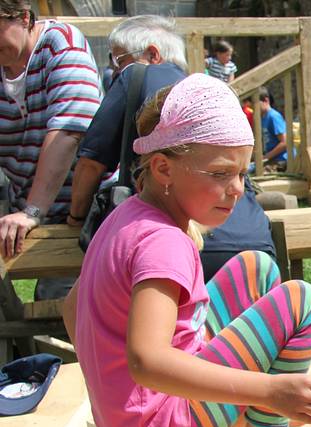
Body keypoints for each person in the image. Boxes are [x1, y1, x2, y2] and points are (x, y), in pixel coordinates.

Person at [62, 74, 311, 427]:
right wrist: (272, 390)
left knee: (258, 269)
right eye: (219, 174)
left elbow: (72, 307)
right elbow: (148, 362)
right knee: (301, 300)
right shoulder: (165, 244)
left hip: (132, 423)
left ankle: (240, 423)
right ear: (163, 168)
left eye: (242, 173)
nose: (235, 190)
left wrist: (113, 390)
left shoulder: (124, 218)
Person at [70, 15, 275, 281]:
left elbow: (91, 164)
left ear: (152, 53)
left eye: (119, 60)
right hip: (255, 241)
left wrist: (75, 219)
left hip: (184, 248)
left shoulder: (135, 77)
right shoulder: (210, 89)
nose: (117, 70)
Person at [0, 1, 100, 297]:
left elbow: (69, 132)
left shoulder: (62, 45)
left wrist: (32, 211)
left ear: (24, 17)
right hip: (31, 213)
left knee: (70, 306)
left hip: (87, 214)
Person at [260, 89, 288, 166]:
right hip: (272, 159)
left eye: (254, 104)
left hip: (282, 160)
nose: (253, 108)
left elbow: (285, 142)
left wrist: (265, 157)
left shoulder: (273, 116)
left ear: (266, 100)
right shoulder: (262, 118)